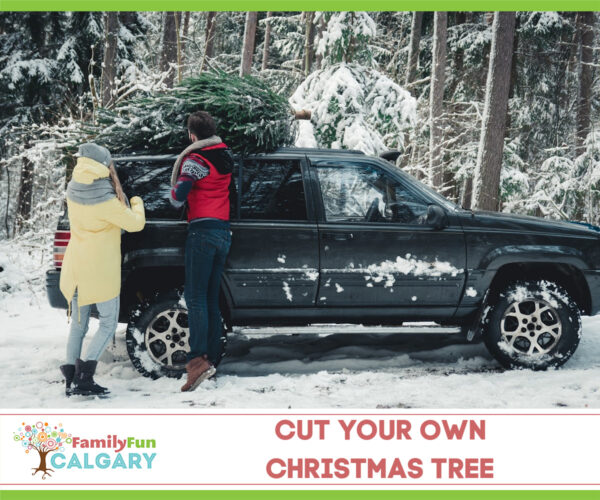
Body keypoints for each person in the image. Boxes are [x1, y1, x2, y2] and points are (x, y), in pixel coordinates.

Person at [59, 143, 146, 396]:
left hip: (76, 267)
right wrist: (137, 201)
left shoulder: (72, 189)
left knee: (78, 326)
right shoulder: (106, 200)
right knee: (107, 323)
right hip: (100, 271)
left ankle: (70, 377)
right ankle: (84, 377)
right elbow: (135, 224)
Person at [170, 111, 234, 391]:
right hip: (223, 231)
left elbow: (179, 195)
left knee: (195, 297)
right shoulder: (226, 157)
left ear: (192, 136)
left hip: (202, 232)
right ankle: (210, 358)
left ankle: (197, 361)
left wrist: (171, 191)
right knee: (209, 298)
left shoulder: (196, 160)